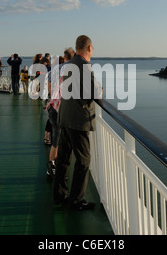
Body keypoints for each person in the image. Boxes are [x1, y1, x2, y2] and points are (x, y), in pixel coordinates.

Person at [53, 35, 102, 210]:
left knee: (64, 158)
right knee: (83, 160)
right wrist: (100, 88)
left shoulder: (70, 64)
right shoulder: (84, 66)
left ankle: (59, 195)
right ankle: (75, 201)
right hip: (77, 120)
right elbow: (95, 93)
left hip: (64, 116)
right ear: (89, 48)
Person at [45, 47, 75, 177]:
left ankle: (51, 167)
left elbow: (49, 84)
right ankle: (59, 170)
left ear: (64, 56)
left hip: (53, 106)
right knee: (65, 141)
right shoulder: (74, 69)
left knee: (55, 140)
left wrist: (53, 97)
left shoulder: (56, 69)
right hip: (65, 109)